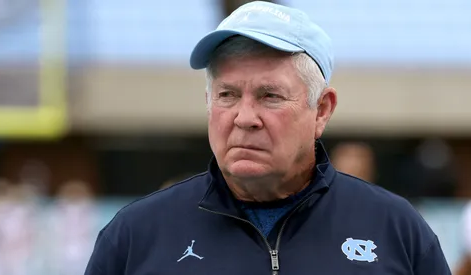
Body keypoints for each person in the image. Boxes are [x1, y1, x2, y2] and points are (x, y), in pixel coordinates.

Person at [84, 1, 451, 274]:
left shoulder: (396, 230)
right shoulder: (135, 236)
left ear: (322, 109)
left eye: (269, 96)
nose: (244, 118)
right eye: (227, 95)